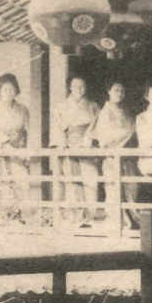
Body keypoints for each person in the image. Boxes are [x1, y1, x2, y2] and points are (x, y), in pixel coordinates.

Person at [53, 76, 100, 227]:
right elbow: (58, 128)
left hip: (87, 144)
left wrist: (89, 138)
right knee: (72, 181)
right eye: (76, 86)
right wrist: (63, 143)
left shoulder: (93, 106)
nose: (79, 89)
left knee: (91, 179)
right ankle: (74, 217)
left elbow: (98, 125)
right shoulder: (61, 106)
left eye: (82, 86)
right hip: (69, 144)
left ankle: (90, 217)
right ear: (70, 87)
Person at [91, 81, 137, 230]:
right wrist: (127, 132)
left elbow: (133, 129)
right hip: (112, 155)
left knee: (131, 188)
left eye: (122, 91)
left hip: (126, 156)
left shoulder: (125, 111)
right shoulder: (105, 112)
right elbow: (105, 137)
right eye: (116, 90)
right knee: (113, 189)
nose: (119, 93)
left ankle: (131, 220)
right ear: (109, 91)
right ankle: (116, 223)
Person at [0, 73, 31, 219]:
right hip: (0, 150)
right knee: (2, 182)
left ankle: (20, 215)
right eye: (5, 89)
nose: (9, 92)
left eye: (12, 89)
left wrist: (25, 148)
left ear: (16, 90)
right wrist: (6, 144)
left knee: (22, 180)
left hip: (18, 150)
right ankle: (3, 216)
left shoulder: (23, 110)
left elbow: (29, 130)